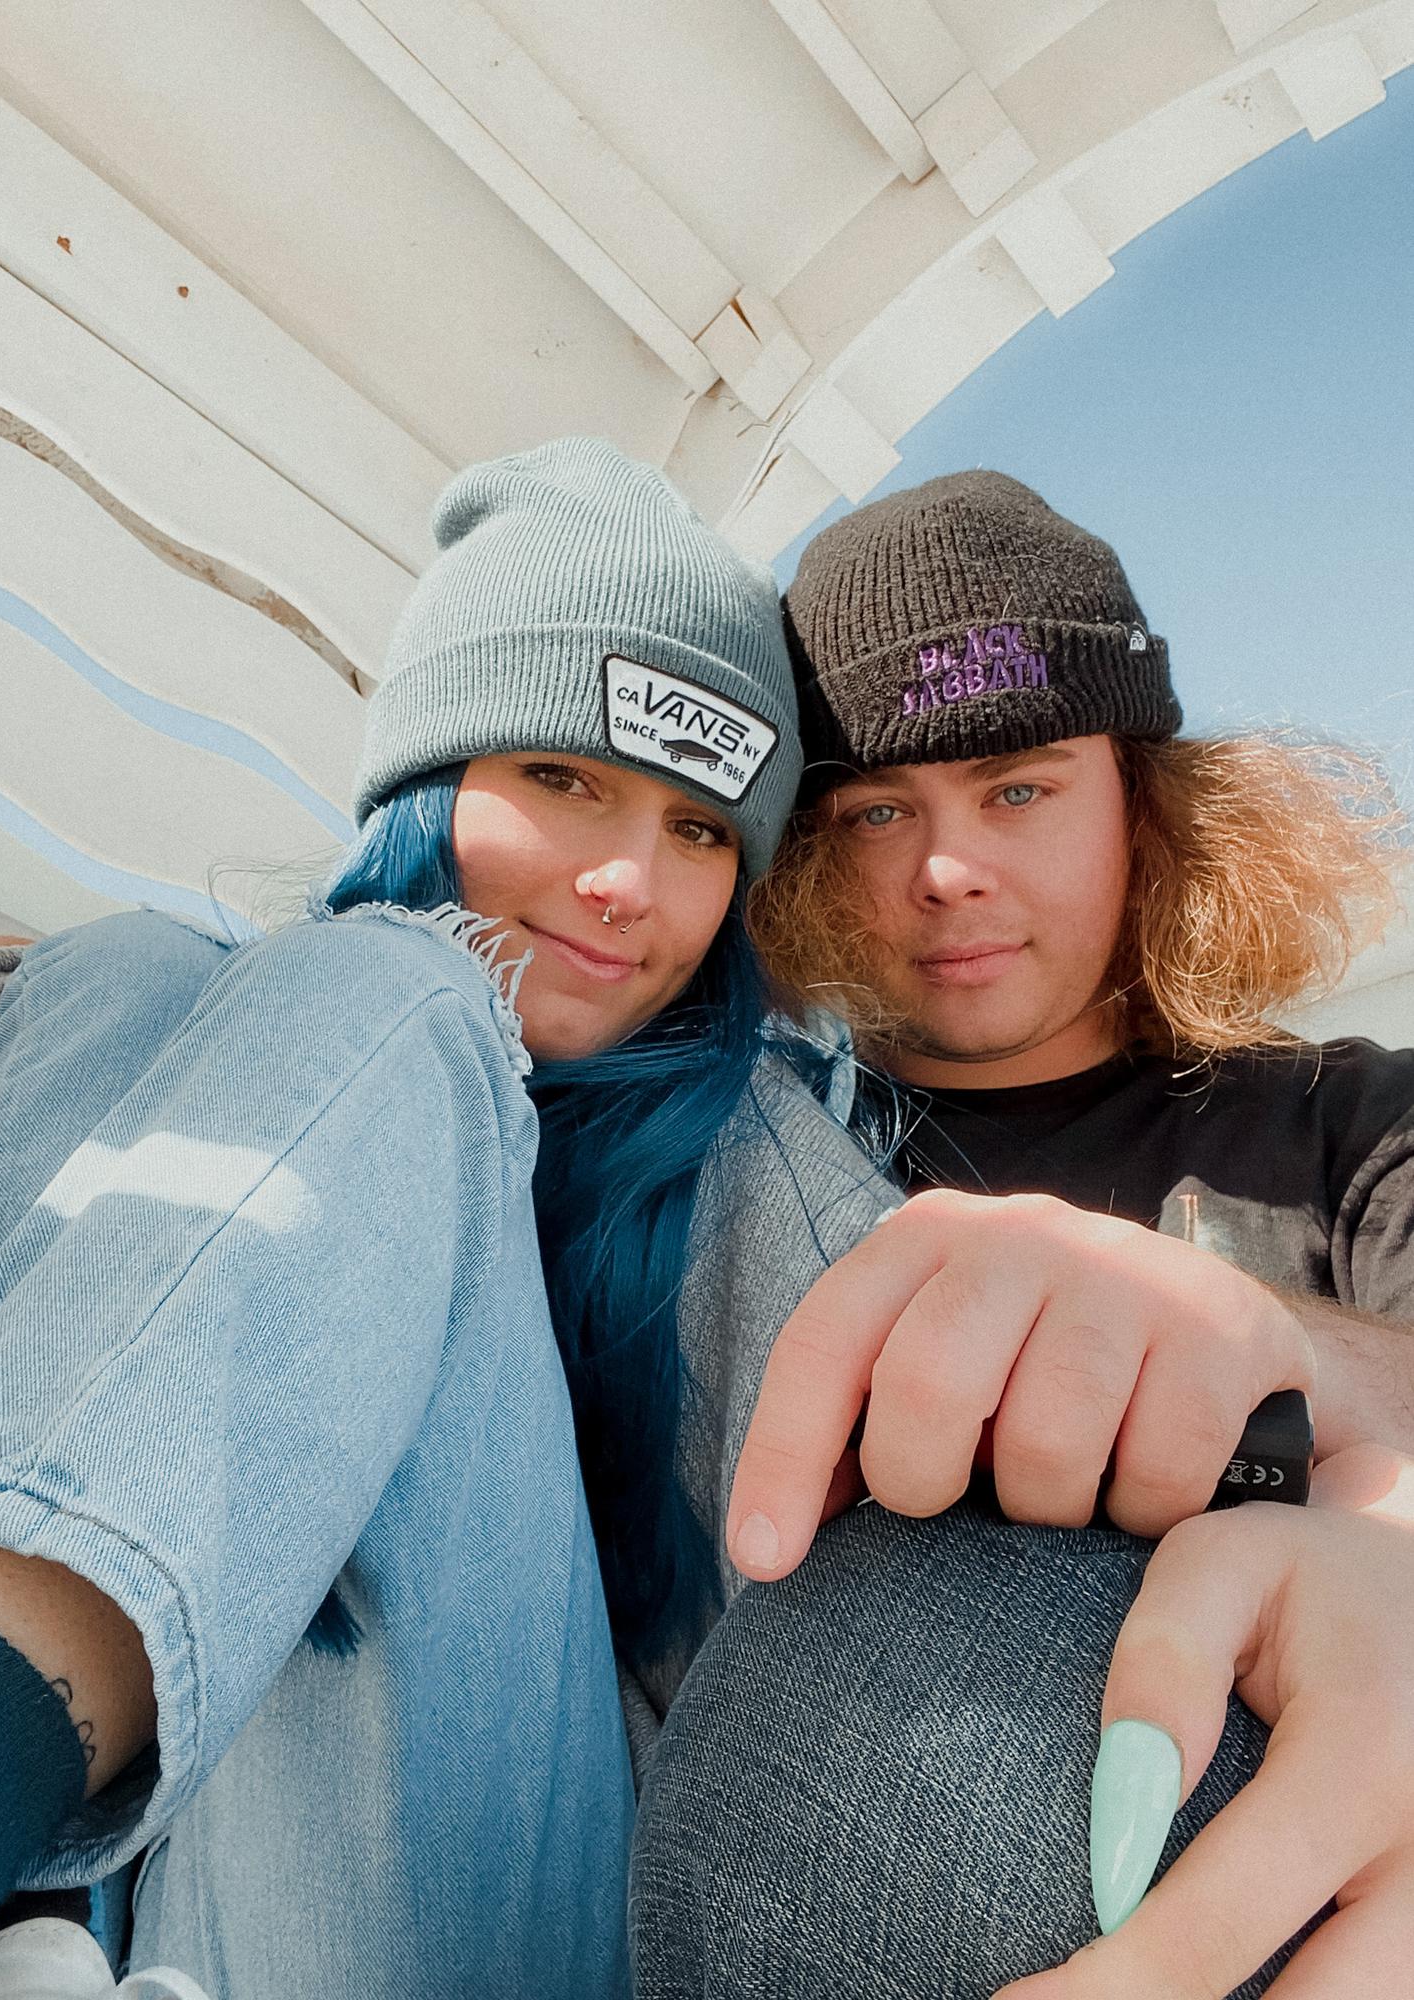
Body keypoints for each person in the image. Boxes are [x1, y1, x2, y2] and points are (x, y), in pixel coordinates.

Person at [0, 434, 806, 1999]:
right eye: (565, 778)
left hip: (519, 1915)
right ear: (425, 784)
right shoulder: (193, 1015)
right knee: (109, 969)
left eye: (700, 830)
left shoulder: (757, 1136)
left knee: (409, 987)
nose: (624, 880)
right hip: (180, 1913)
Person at [628, 472, 1414, 1997]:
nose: (944, 868)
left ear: (1147, 800)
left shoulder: (1352, 1119)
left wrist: (1269, 1349)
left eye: (1018, 786)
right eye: (874, 809)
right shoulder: (757, 1165)